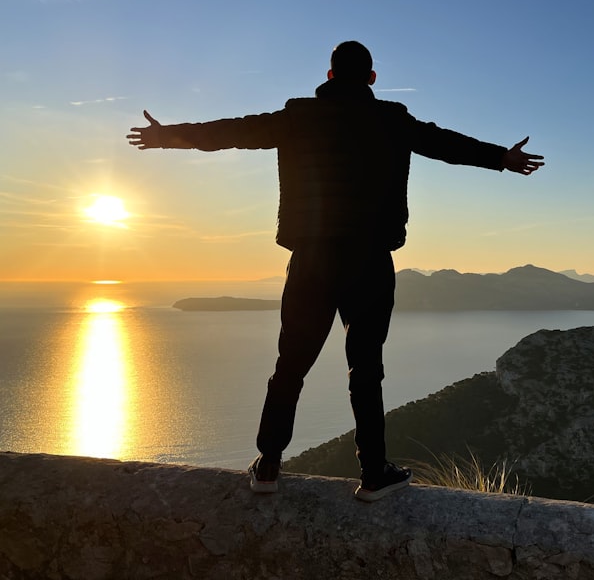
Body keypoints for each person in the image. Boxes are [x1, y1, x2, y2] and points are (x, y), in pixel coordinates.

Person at [127, 40, 544, 500]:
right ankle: (373, 474)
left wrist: (167, 135)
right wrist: (502, 158)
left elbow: (231, 131)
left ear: (328, 77)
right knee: (366, 368)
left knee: (291, 364)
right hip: (369, 259)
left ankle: (267, 465)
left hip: (310, 259)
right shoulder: (392, 119)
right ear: (371, 79)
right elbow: (445, 143)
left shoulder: (297, 117)